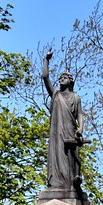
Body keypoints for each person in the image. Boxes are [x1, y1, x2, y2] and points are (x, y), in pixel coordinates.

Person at [42, 50, 83, 191]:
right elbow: (45, 77)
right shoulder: (55, 94)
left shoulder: (76, 97)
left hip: (70, 132)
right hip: (57, 133)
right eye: (60, 78)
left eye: (64, 77)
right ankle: (56, 184)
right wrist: (47, 60)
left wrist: (81, 128)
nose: (61, 79)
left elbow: (80, 115)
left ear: (70, 80)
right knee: (57, 157)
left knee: (71, 158)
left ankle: (73, 181)